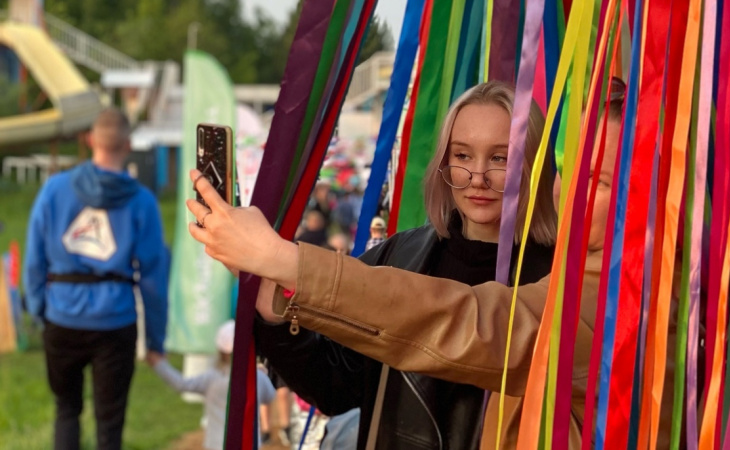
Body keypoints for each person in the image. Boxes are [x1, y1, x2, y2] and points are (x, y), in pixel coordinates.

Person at [187, 78, 676, 448]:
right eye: (462, 155)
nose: (478, 176)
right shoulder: (402, 254)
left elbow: (461, 319)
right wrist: (276, 302)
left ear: (535, 163)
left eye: (502, 158)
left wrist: (287, 260)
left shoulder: (568, 284)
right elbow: (338, 386)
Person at [24, 108, 169, 450]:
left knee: (67, 410)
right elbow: (153, 279)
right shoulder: (142, 202)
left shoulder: (54, 189)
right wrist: (155, 339)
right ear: (128, 144)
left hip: (61, 317)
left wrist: (38, 309)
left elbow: (34, 259)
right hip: (115, 322)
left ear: (90, 140)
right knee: (110, 422)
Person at [147, 320, 276, 450]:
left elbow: (181, 384)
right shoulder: (256, 377)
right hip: (248, 443)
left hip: (217, 444)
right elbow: (270, 395)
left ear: (220, 350)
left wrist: (159, 364)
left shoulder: (212, 378)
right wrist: (263, 374)